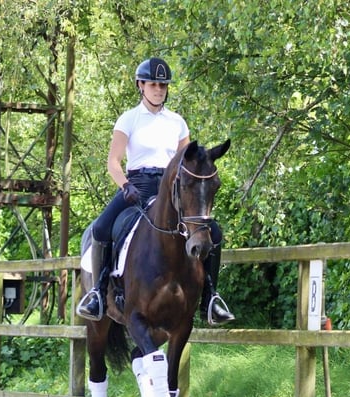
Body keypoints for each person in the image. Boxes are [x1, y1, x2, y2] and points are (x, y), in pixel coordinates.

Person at [76, 57, 234, 325]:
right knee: (101, 228)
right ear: (141, 85)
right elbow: (113, 162)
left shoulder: (177, 122)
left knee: (214, 231)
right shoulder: (129, 119)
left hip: (172, 187)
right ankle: (98, 293)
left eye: (163, 85)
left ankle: (210, 297)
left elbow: (189, 160)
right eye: (153, 84)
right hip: (137, 185)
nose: (158, 89)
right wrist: (125, 186)